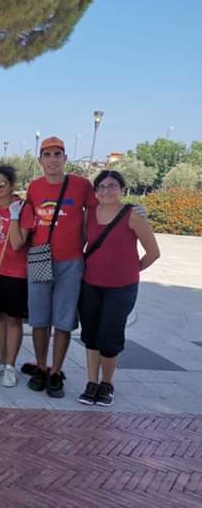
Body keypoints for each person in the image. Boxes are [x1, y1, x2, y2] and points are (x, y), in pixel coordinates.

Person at [18, 136, 97, 398]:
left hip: (70, 262)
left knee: (63, 320)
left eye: (57, 154)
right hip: (40, 257)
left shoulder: (81, 185)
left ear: (65, 158)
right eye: (47, 154)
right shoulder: (35, 187)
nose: (53, 159)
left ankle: (56, 372)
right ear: (40, 160)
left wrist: (132, 212)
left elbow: (100, 214)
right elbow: (27, 219)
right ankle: (41, 367)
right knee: (39, 318)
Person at [77, 171, 160, 406]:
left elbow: (153, 253)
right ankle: (92, 382)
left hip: (121, 289)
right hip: (91, 285)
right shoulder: (89, 214)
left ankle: (107, 384)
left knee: (110, 337)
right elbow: (82, 243)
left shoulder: (133, 215)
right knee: (91, 336)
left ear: (122, 189)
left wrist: (131, 272)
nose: (106, 191)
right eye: (101, 187)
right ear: (95, 192)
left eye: (112, 186)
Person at [0, 165, 29, 387]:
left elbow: (18, 243)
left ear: (11, 185)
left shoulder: (22, 207)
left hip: (16, 272)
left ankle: (11, 365)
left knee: (13, 320)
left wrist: (15, 217)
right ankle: (0, 361)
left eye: (1, 185)